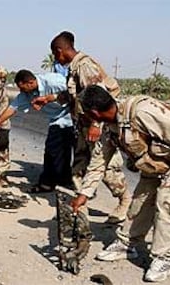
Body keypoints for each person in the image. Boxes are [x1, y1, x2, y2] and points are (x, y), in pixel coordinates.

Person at [71, 85, 170, 282]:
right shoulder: (111, 127)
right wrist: (84, 194)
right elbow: (99, 163)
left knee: (168, 204)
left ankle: (163, 258)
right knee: (140, 203)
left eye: (86, 114)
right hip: (155, 163)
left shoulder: (142, 112)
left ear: (94, 113)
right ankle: (127, 245)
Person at [46, 30, 131, 223]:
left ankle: (125, 201)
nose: (55, 59)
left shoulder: (85, 66)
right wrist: (49, 98)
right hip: (83, 129)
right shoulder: (74, 68)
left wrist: (96, 124)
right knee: (78, 170)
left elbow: (99, 97)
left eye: (55, 54)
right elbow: (74, 95)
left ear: (60, 50)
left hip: (97, 128)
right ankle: (80, 209)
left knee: (106, 169)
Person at [0, 69, 74, 192]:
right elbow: (12, 109)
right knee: (56, 150)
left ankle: (59, 183)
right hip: (57, 120)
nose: (22, 92)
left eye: (23, 88)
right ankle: (56, 181)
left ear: (30, 83)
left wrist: (51, 98)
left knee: (66, 151)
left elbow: (76, 91)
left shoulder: (54, 81)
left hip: (74, 116)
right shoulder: (27, 94)